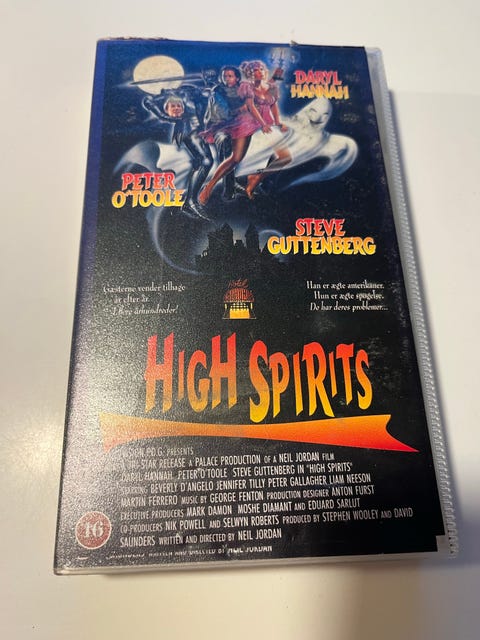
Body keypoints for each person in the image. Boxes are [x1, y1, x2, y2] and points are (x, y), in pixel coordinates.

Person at [198, 66, 272, 205]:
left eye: (230, 76)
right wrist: (241, 110)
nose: (227, 79)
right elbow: (223, 114)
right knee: (229, 149)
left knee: (236, 158)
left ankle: (229, 186)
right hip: (222, 126)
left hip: (244, 125)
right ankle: (212, 187)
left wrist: (262, 123)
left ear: (237, 78)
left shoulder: (245, 87)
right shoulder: (217, 91)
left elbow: (252, 105)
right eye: (224, 76)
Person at [142, 92, 213, 218]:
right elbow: (151, 105)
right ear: (166, 110)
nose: (176, 108)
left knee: (205, 162)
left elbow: (204, 99)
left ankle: (190, 201)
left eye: (179, 106)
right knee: (205, 161)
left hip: (202, 133)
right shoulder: (178, 119)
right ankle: (190, 202)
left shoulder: (191, 106)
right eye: (172, 106)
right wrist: (154, 100)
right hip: (191, 134)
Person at [239, 60, 291, 199]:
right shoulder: (247, 87)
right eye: (255, 70)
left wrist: (278, 122)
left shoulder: (272, 87)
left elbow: (273, 105)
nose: (259, 72)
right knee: (263, 158)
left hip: (268, 125)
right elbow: (251, 107)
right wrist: (263, 124)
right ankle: (254, 180)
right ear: (249, 74)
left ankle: (257, 178)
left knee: (285, 158)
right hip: (253, 125)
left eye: (261, 69)